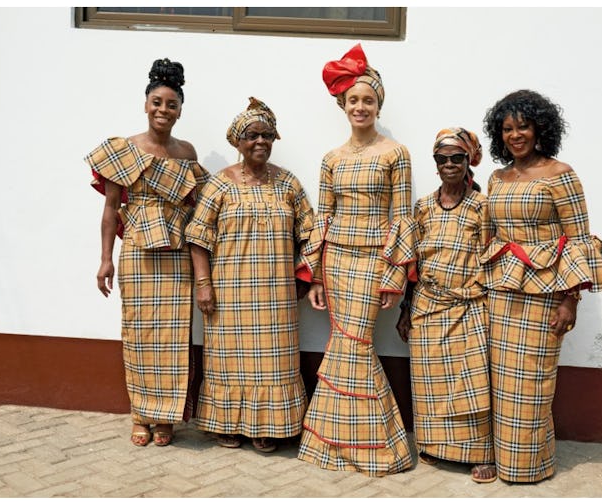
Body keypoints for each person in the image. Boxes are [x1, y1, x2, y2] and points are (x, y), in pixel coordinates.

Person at [480, 89, 602, 482]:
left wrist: (569, 301)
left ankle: (528, 466)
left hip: (545, 292)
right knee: (501, 379)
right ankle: (501, 458)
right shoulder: (497, 177)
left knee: (533, 380)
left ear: (540, 127)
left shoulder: (561, 174)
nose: (515, 134)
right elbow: (490, 236)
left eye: (523, 125)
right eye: (507, 128)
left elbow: (578, 240)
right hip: (503, 289)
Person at [296, 43, 415, 476]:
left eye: (368, 100)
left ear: (378, 104)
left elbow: (401, 218)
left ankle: (371, 447)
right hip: (337, 263)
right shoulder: (331, 159)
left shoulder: (395, 154)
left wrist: (393, 274)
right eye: (353, 101)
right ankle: (337, 446)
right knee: (343, 345)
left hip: (371, 265)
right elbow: (322, 218)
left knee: (356, 346)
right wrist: (316, 279)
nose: (360, 107)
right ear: (342, 106)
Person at [86, 58, 211, 447]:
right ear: (146, 104)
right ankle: (141, 414)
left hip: (176, 253)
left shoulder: (186, 151)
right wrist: (106, 258)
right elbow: (110, 208)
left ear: (180, 111)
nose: (163, 110)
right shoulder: (125, 150)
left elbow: (195, 208)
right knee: (139, 333)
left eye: (171, 104)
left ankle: (167, 418)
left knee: (174, 336)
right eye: (157, 102)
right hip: (138, 252)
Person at [185, 97, 315, 454]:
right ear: (237, 142)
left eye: (267, 135)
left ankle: (269, 426)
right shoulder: (219, 184)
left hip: (275, 296)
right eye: (252, 135)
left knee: (275, 362)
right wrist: (203, 284)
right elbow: (198, 237)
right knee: (229, 363)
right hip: (228, 294)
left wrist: (304, 275)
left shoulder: (287, 183)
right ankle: (228, 424)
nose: (260, 142)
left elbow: (311, 232)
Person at [396, 127, 497, 483]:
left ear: (470, 160)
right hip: (427, 305)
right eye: (443, 158)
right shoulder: (423, 206)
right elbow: (412, 265)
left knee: (470, 384)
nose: (450, 164)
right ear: (435, 163)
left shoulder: (484, 206)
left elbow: (493, 257)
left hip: (468, 305)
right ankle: (436, 446)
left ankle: (480, 453)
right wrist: (405, 311)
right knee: (430, 382)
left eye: (458, 157)